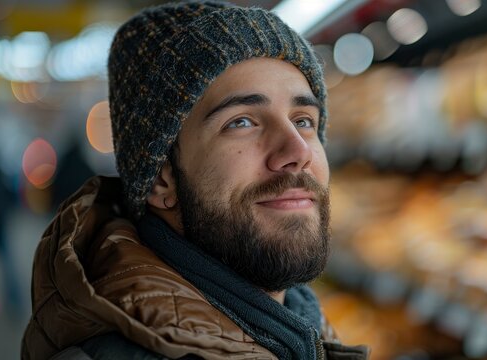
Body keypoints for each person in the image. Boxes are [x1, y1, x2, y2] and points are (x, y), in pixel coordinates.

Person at [21, 1, 370, 359]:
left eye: (304, 121)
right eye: (241, 122)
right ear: (161, 179)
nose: (299, 152)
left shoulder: (294, 325)